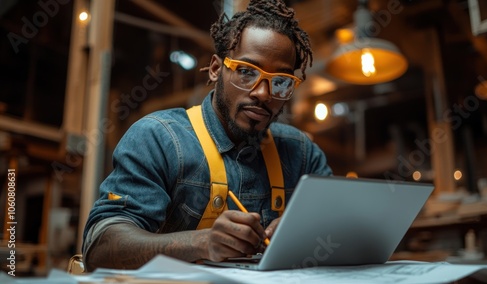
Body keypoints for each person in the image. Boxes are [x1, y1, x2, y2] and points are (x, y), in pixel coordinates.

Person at [82, 0, 333, 271]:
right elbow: (101, 248)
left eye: (281, 81)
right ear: (215, 69)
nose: (263, 93)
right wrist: (200, 243)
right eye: (247, 72)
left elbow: (343, 227)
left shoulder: (302, 153)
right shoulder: (158, 138)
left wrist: (308, 230)